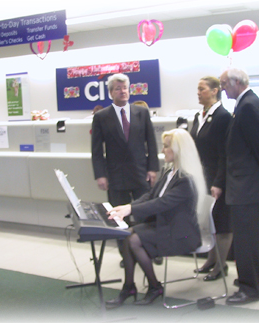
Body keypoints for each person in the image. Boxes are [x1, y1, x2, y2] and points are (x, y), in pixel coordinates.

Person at [105, 128, 206, 308]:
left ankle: (152, 287)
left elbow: (161, 203)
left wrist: (130, 209)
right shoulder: (170, 171)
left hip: (182, 234)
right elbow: (151, 196)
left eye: (166, 147)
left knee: (133, 239)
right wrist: (128, 206)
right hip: (168, 226)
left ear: (178, 150)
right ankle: (131, 286)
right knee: (128, 236)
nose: (162, 151)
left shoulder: (185, 180)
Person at [220, 68, 259, 305]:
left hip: (248, 187)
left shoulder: (248, 106)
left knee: (247, 240)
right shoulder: (247, 104)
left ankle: (249, 288)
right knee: (257, 238)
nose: (223, 88)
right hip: (251, 185)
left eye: (225, 83)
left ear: (237, 83)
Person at [91, 73, 160, 268]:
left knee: (146, 214)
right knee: (119, 218)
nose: (123, 91)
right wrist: (100, 174)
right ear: (111, 92)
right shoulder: (101, 117)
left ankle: (151, 250)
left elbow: (152, 144)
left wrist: (153, 169)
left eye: (125, 88)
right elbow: (96, 150)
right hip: (115, 175)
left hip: (141, 173)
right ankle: (127, 255)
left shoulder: (142, 113)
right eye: (118, 89)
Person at [190, 76, 232, 281]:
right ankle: (211, 259)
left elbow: (226, 153)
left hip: (217, 178)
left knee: (222, 223)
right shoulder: (199, 116)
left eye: (202, 89)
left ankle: (221, 265)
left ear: (215, 91)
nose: (198, 92)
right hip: (202, 177)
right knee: (208, 221)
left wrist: (219, 182)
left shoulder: (223, 116)